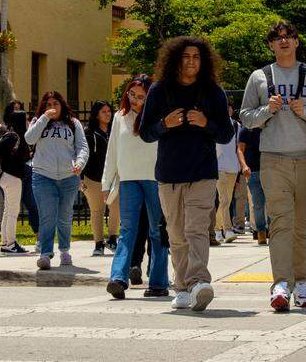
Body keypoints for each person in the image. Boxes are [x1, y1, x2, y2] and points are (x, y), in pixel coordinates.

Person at [239, 21, 306, 312]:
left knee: (304, 225)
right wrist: (268, 110)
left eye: (289, 36)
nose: (284, 41)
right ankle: (281, 283)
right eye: (278, 38)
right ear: (270, 44)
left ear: (297, 42)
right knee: (280, 222)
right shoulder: (259, 76)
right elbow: (245, 116)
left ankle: (301, 281)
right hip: (272, 159)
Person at [140, 36, 234, 312]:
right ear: (175, 60)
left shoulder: (213, 91)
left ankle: (198, 283)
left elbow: (227, 133)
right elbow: (145, 132)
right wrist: (164, 125)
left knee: (196, 230)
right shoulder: (158, 91)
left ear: (203, 61)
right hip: (168, 174)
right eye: (186, 56)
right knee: (176, 233)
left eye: (196, 57)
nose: (191, 61)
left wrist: (206, 123)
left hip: (203, 172)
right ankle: (182, 285)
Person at [103, 76, 170, 299]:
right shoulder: (118, 117)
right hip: (128, 180)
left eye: (141, 97)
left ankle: (159, 282)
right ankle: (118, 279)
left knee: (157, 231)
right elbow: (112, 151)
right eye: (132, 94)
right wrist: (106, 182)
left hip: (155, 179)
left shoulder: (159, 117)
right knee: (127, 231)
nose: (135, 100)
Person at [26, 91, 89, 270]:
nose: (52, 107)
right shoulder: (38, 121)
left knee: (64, 215)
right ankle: (45, 254)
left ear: (62, 105)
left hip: (69, 177)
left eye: (56, 103)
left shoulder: (73, 123)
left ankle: (64, 251)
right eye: (48, 104)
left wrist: (79, 163)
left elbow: (82, 147)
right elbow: (29, 139)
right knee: (47, 216)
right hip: (43, 175)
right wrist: (44, 118)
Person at [83, 100, 120, 256]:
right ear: (96, 114)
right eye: (104, 112)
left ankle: (112, 238)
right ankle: (99, 243)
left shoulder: (115, 130)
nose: (108, 114)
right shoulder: (89, 132)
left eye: (109, 111)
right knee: (97, 210)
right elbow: (84, 154)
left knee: (116, 208)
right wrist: (80, 177)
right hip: (93, 177)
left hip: (113, 177)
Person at [0, 108, 30, 255]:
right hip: (12, 177)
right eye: (25, 119)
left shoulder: (13, 135)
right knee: (13, 211)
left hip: (8, 176)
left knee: (9, 210)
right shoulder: (14, 136)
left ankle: (5, 242)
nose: (27, 122)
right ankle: (11, 243)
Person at [215, 103, 242, 244]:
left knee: (227, 201)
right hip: (219, 166)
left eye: (229, 107)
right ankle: (228, 229)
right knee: (224, 199)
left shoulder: (237, 125)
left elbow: (238, 147)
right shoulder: (215, 122)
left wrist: (239, 168)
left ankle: (217, 229)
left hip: (233, 167)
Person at [237, 125, 267, 245]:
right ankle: (261, 231)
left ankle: (275, 231)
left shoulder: (269, 126)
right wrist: (244, 166)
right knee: (258, 204)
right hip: (253, 172)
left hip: (271, 170)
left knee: (273, 202)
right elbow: (240, 150)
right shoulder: (246, 130)